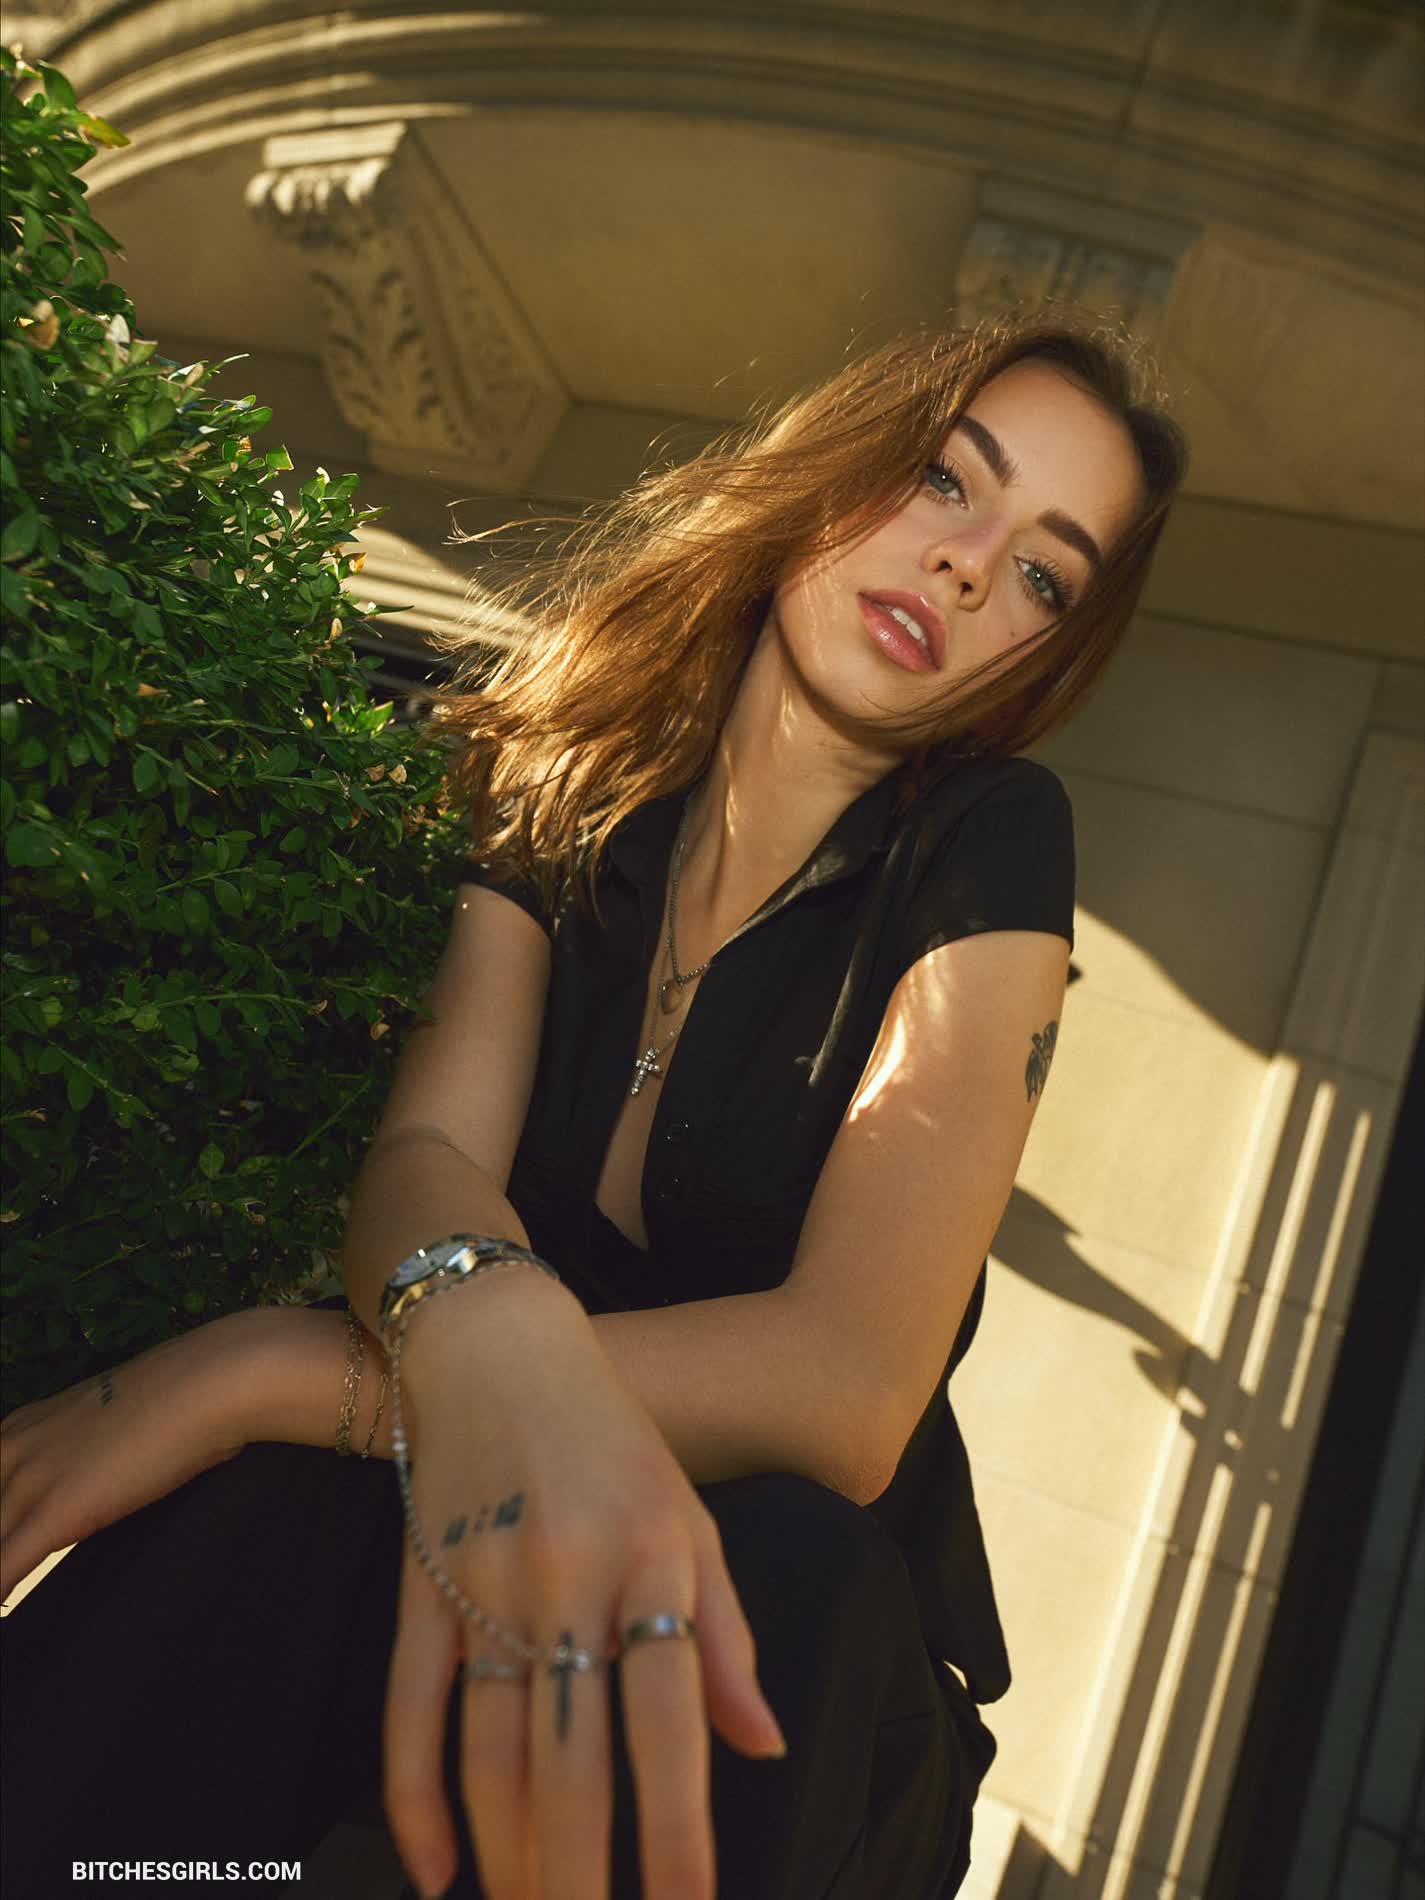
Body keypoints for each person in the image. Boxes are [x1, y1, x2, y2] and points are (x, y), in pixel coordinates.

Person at [1, 316, 1187, 1900]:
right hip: (488, 1522)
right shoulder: (571, 775)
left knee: (769, 1566)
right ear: (834, 463)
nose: (970, 569)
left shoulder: (991, 840)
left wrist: (273, 1370)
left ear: (1046, 652)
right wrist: (458, 1360)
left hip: (795, 1672)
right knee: (250, 1522)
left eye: (1043, 574)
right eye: (941, 480)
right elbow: (432, 1152)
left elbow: (844, 1393)